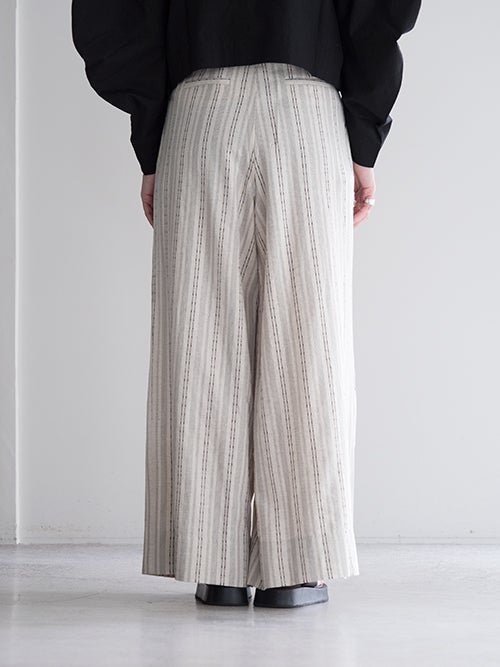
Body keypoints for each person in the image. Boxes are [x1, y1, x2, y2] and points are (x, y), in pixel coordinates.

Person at [71, 0, 421, 609]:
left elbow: (115, 14)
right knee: (308, 342)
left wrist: (153, 140)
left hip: (198, 109)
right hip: (308, 109)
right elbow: (377, 12)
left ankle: (213, 562)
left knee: (199, 341)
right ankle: (298, 566)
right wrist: (363, 138)